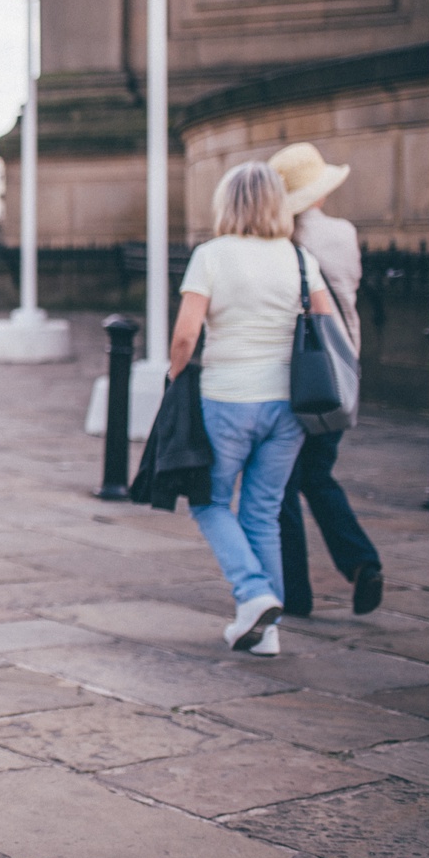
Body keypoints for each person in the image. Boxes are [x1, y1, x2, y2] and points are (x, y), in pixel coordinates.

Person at [168, 160, 336, 657]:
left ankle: (253, 593)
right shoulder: (299, 258)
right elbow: (327, 324)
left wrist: (175, 377)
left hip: (228, 397)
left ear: (228, 204)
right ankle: (267, 631)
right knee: (263, 510)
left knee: (210, 502)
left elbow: (185, 333)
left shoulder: (212, 255)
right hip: (288, 403)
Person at [269, 142, 383, 616]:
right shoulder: (344, 232)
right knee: (318, 475)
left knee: (282, 483)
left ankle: (295, 592)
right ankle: (361, 561)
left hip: (298, 379)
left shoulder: (283, 242)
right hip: (341, 373)